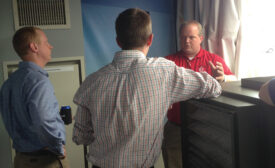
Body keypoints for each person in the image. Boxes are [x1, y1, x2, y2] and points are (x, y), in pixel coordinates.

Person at [72, 8, 222, 168]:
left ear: (118, 41)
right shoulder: (164, 71)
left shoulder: (91, 82)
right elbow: (213, 87)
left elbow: (80, 137)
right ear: (150, 39)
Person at [162, 20, 236, 168]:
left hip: (205, 129)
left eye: (191, 37)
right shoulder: (168, 62)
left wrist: (223, 79)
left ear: (201, 38)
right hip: (175, 127)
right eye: (183, 37)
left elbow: (235, 80)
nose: (186, 41)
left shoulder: (213, 60)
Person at [0, 27, 69, 168]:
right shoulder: (38, 80)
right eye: (46, 42)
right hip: (44, 161)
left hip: (21, 160)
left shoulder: (9, 83)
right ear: (34, 47)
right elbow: (43, 121)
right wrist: (58, 146)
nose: (51, 45)